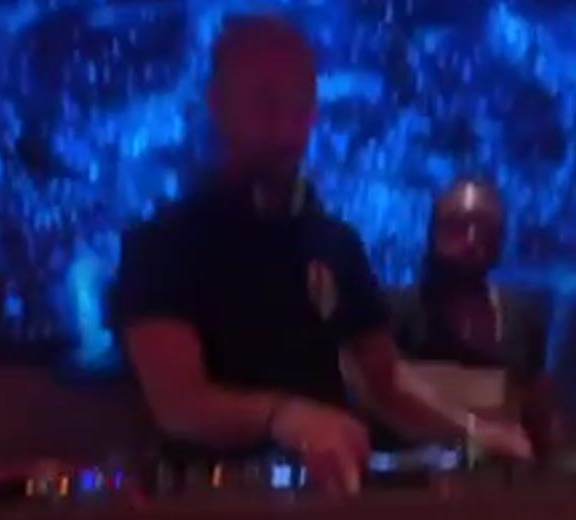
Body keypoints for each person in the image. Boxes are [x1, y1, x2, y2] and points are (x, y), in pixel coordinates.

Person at [111, 14, 531, 495]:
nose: (286, 128)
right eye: (267, 104)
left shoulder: (335, 242)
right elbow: (180, 404)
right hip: (208, 510)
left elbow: (387, 381)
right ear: (217, 104)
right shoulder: (162, 245)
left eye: (301, 107)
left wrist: (475, 432)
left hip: (326, 506)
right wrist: (284, 417)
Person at [388, 180, 563, 461]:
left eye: (486, 230)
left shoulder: (521, 319)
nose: (471, 240)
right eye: (457, 226)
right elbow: (383, 392)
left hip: (495, 480)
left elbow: (538, 417)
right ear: (433, 232)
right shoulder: (393, 312)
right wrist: (473, 430)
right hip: (407, 479)